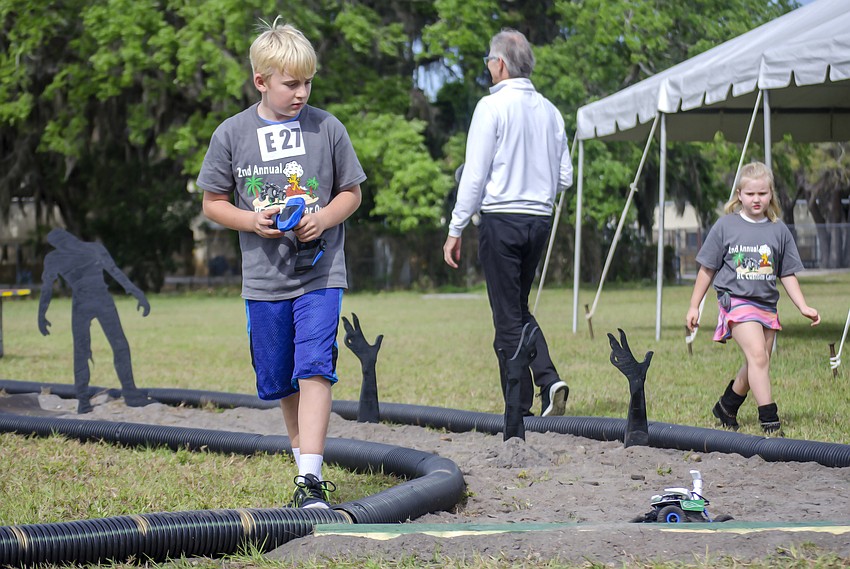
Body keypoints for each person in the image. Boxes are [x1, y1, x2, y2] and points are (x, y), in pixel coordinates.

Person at [197, 19, 366, 509]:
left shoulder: (327, 127)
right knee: (282, 377)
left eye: (308, 82)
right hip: (264, 280)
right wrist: (252, 221)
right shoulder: (231, 134)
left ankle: (311, 481)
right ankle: (302, 471)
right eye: (291, 83)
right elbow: (213, 203)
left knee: (316, 366)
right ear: (261, 81)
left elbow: (350, 193)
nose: (301, 93)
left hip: (320, 272)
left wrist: (323, 218)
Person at [442, 29, 573, 418]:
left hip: (501, 218)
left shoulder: (491, 106)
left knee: (506, 316)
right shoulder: (550, 111)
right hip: (540, 219)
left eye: (488, 62)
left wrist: (455, 227)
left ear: (499, 64)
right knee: (515, 308)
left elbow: (475, 175)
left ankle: (531, 396)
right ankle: (538, 389)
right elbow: (565, 177)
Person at [685, 161, 820, 435]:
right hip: (734, 300)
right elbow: (707, 268)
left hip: (766, 304)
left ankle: (726, 407)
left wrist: (803, 306)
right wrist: (693, 305)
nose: (756, 199)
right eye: (750, 194)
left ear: (771, 194)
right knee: (758, 356)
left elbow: (787, 273)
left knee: (757, 362)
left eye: (762, 193)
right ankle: (770, 421)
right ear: (739, 194)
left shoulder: (778, 230)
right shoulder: (725, 226)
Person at [38, 228, 153, 414]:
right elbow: (46, 289)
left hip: (102, 299)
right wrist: (41, 315)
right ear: (57, 245)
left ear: (70, 237)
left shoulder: (94, 249)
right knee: (82, 350)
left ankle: (130, 393)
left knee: (120, 345)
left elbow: (115, 271)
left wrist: (137, 293)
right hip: (81, 303)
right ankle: (83, 399)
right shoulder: (55, 258)